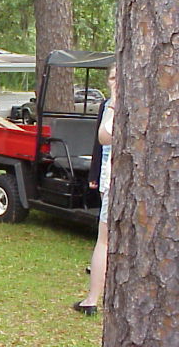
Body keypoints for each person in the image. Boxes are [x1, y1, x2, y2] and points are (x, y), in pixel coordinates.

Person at [73, 65, 116, 316]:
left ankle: (93, 299)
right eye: (111, 77)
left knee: (105, 239)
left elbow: (105, 135)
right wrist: (94, 175)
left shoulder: (121, 104)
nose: (114, 82)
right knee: (105, 237)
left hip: (120, 179)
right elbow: (99, 145)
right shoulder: (106, 104)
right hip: (107, 176)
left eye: (118, 77)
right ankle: (92, 298)